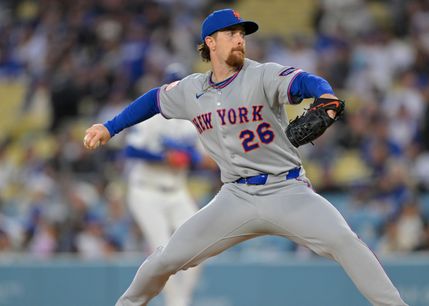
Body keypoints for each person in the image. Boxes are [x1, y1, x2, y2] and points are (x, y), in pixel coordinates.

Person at [83, 9, 407, 306]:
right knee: (165, 259)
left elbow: (307, 82)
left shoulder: (262, 75)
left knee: (345, 241)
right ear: (210, 42)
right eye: (231, 33)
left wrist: (325, 94)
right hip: (234, 197)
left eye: (242, 34)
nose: (240, 39)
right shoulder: (192, 90)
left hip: (287, 190)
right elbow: (153, 100)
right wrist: (110, 128)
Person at [123, 63, 203, 306]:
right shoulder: (149, 117)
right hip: (146, 191)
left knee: (199, 245)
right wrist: (163, 156)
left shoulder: (191, 120)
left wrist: (180, 152)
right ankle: (175, 303)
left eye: (179, 85)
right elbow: (130, 149)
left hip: (176, 192)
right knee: (163, 252)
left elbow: (200, 159)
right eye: (171, 84)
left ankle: (180, 301)